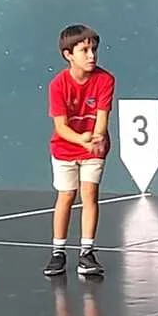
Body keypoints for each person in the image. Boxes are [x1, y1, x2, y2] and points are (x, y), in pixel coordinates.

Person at [44, 24, 113, 277]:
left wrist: (96, 137)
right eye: (84, 50)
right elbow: (61, 127)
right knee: (66, 196)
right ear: (68, 55)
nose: (92, 55)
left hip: (94, 148)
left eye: (94, 49)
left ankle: (87, 253)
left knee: (89, 194)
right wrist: (81, 140)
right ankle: (58, 252)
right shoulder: (57, 85)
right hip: (64, 149)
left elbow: (102, 118)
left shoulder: (105, 80)